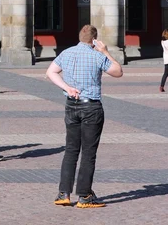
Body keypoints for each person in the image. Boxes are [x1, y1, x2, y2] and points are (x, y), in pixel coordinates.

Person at [46, 25, 123, 209]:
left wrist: (67, 88)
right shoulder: (97, 55)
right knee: (88, 153)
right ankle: (84, 196)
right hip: (91, 107)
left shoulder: (66, 53)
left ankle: (63, 193)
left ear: (80, 37)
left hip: (71, 104)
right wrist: (106, 51)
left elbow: (50, 72)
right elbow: (118, 71)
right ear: (94, 40)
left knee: (71, 149)